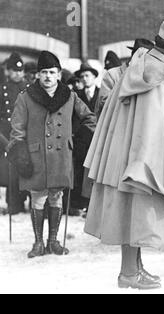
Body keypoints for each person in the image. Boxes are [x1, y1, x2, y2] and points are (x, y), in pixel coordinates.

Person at [84, 20, 164, 289]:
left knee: (131, 216)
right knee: (133, 215)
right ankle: (129, 273)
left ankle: (134, 268)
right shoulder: (158, 76)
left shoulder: (140, 65)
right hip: (140, 162)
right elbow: (155, 126)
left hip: (125, 157)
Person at [8, 50, 96, 258]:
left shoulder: (70, 96)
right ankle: (38, 243)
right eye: (44, 72)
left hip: (60, 156)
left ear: (59, 75)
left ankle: (53, 241)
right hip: (35, 156)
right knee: (38, 198)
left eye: (52, 72)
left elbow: (89, 119)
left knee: (56, 197)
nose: (48, 76)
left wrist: (75, 139)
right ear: (38, 75)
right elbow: (17, 128)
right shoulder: (26, 97)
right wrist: (19, 152)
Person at [0, 52, 30, 214]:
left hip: (26, 132)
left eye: (20, 70)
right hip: (7, 133)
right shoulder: (2, 89)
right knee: (10, 169)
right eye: (14, 70)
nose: (17, 73)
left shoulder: (29, 89)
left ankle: (29, 200)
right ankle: (14, 203)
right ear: (8, 72)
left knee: (27, 166)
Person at [94, 38, 155, 119]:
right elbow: (105, 102)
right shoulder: (112, 75)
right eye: (146, 57)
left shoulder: (149, 78)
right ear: (135, 55)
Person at [70, 63, 100, 215]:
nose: (85, 79)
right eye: (82, 76)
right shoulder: (76, 95)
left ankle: (93, 204)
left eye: (87, 75)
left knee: (96, 171)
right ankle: (80, 203)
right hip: (81, 140)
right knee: (80, 170)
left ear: (94, 77)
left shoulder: (102, 93)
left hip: (98, 138)